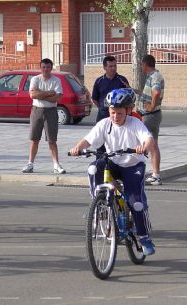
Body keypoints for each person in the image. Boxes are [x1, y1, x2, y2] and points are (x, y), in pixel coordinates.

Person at [69, 88, 157, 256]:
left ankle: (144, 237)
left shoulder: (135, 124)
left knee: (136, 203)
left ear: (128, 111)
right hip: (113, 162)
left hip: (133, 165)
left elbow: (149, 140)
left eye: (119, 113)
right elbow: (88, 140)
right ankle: (99, 204)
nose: (115, 117)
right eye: (112, 112)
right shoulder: (104, 124)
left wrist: (143, 147)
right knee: (93, 167)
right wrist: (77, 148)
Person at [21, 58, 66, 174]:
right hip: (36, 111)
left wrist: (40, 94)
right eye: (43, 67)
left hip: (51, 111)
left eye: (48, 67)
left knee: (52, 140)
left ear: (51, 68)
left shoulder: (56, 80)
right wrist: (49, 93)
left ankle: (56, 165)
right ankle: (30, 164)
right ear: (40, 68)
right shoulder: (35, 79)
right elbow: (32, 95)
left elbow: (56, 98)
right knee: (34, 139)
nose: (46, 69)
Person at [139, 55, 164, 186]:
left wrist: (152, 106)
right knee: (153, 145)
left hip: (150, 116)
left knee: (147, 145)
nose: (141, 66)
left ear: (145, 64)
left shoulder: (155, 76)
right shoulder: (152, 76)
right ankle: (156, 175)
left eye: (142, 64)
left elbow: (156, 92)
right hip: (152, 115)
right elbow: (150, 93)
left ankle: (149, 174)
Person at [91, 55, 130, 122]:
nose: (113, 68)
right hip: (103, 115)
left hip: (118, 116)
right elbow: (94, 98)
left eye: (115, 66)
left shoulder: (122, 80)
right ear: (104, 67)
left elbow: (129, 98)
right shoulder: (99, 81)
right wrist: (102, 107)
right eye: (110, 66)